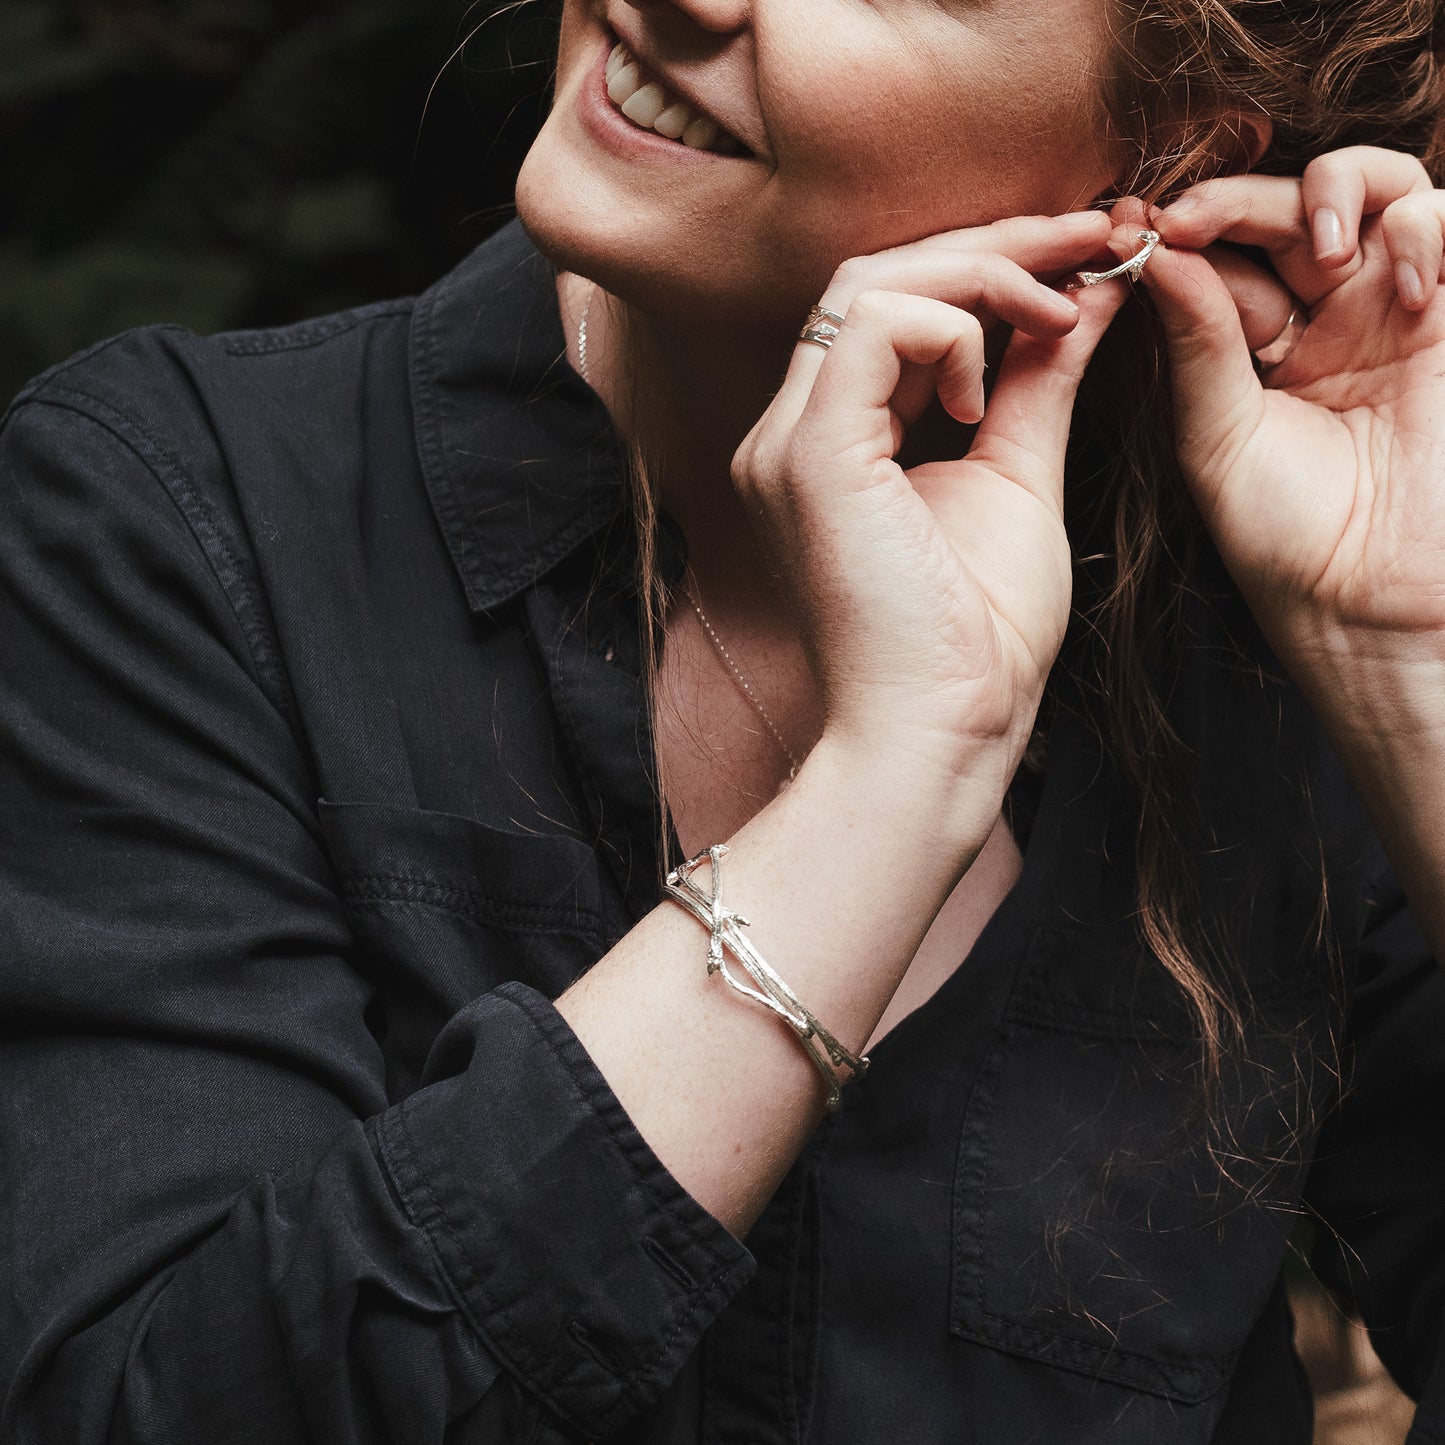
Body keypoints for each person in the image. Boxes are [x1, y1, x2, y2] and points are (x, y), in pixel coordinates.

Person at [4, 0, 1445, 1440]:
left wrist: (1400, 666)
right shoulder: (175, 520)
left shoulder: (1252, 614)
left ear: (1170, 149)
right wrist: (887, 784)